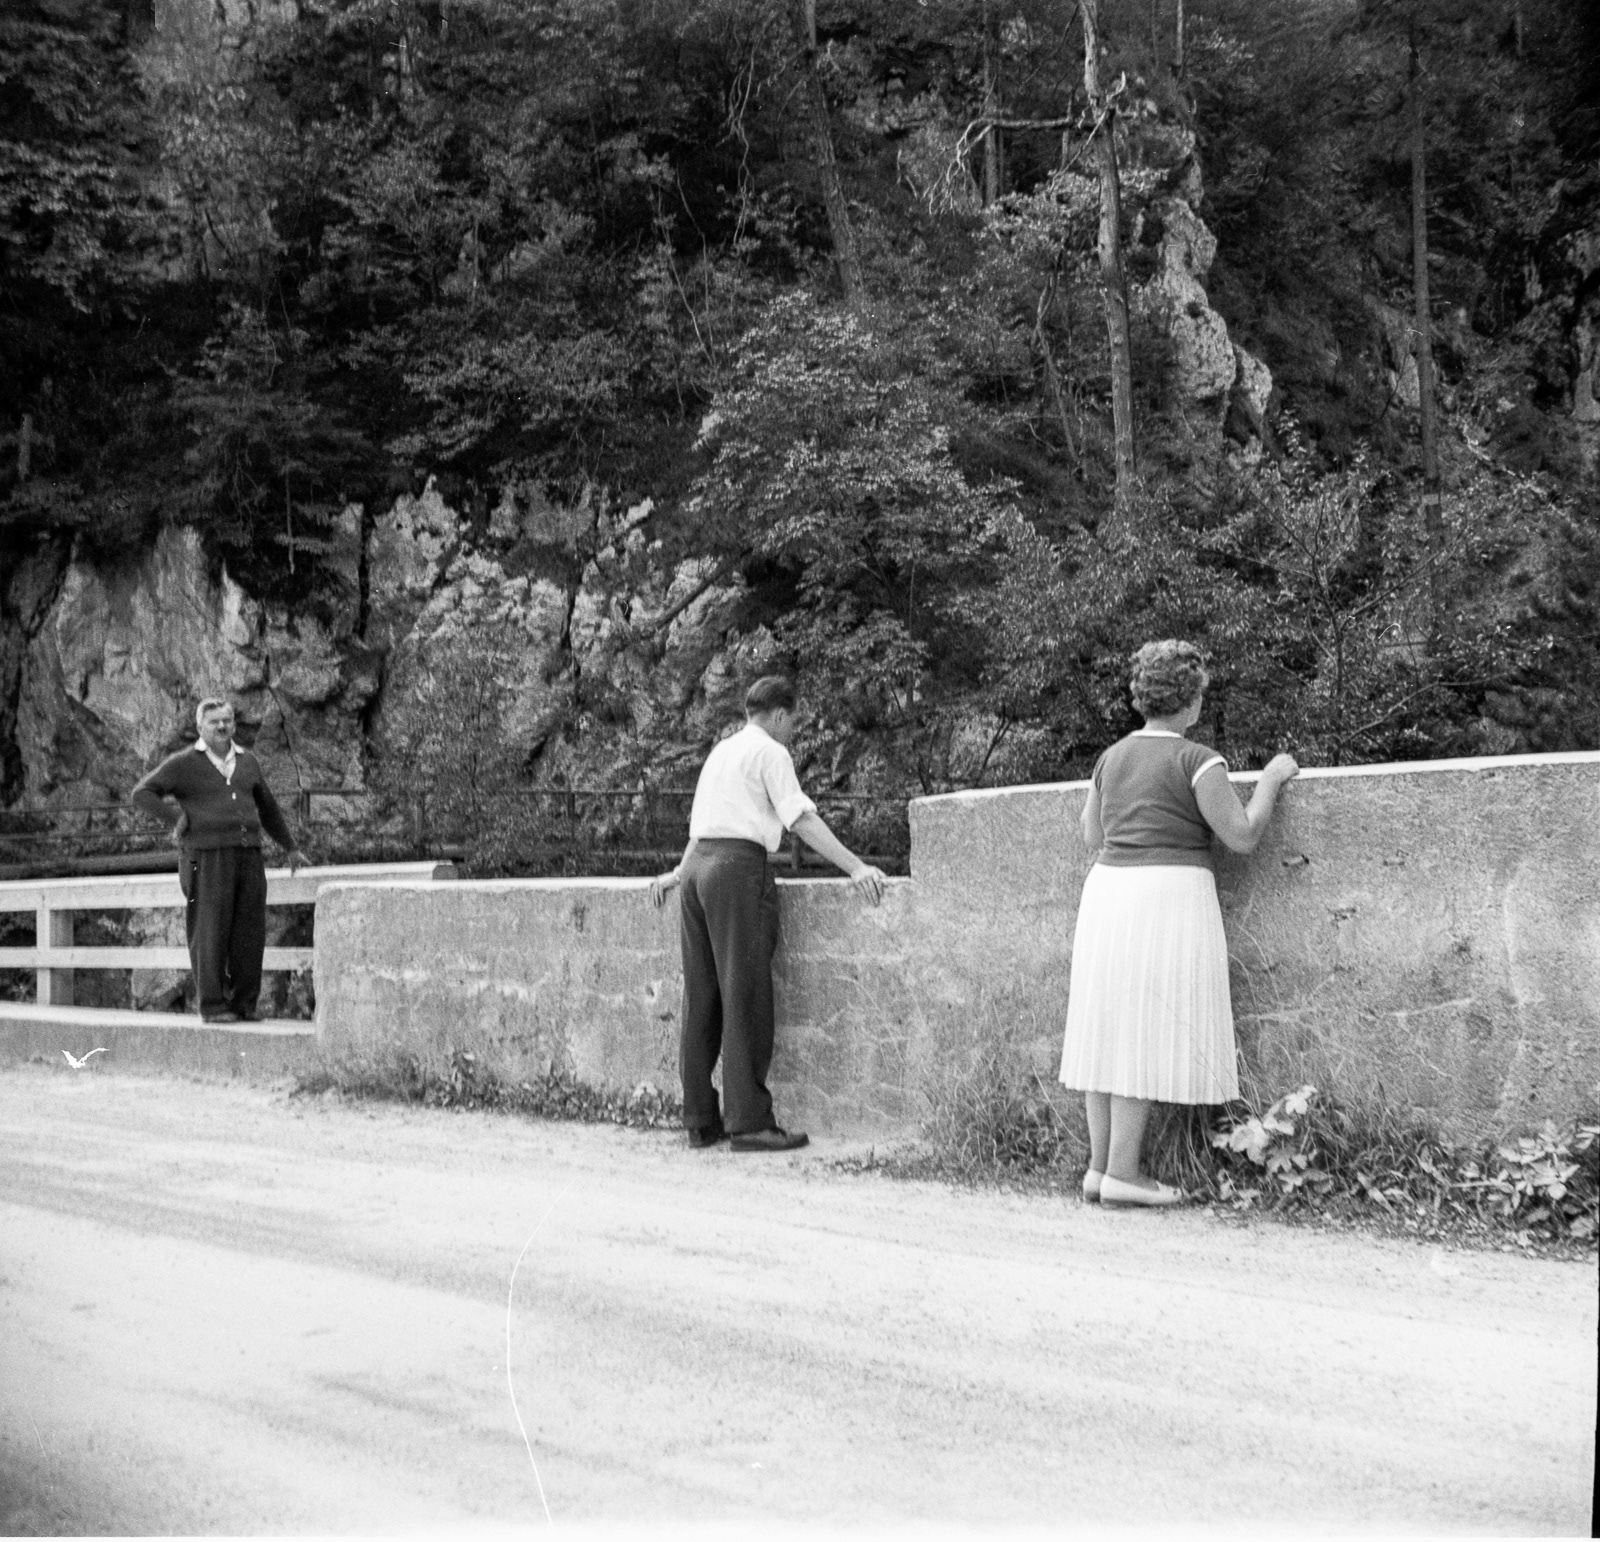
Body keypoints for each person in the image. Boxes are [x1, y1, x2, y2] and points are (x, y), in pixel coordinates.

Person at [1059, 640, 1299, 1209]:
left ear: (1142, 697)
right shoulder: (1199, 760)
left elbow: (1092, 835)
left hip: (1107, 893)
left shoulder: (1111, 757)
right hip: (1166, 896)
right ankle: (1125, 1174)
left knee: (1107, 1028)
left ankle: (1099, 1169)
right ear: (1191, 701)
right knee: (1142, 1027)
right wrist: (1271, 779)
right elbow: (1241, 835)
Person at [649, 676, 886, 1152]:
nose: (793, 730)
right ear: (779, 714)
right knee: (746, 993)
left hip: (698, 872)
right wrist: (856, 866)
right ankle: (749, 1122)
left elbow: (702, 827)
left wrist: (678, 873)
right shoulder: (770, 753)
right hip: (736, 871)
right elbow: (800, 818)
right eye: (793, 720)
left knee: (701, 997)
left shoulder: (721, 752)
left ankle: (700, 1119)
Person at [132, 699, 308, 1023]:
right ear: (200, 727)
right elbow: (142, 793)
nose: (222, 727)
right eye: (214, 722)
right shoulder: (184, 763)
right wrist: (177, 818)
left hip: (249, 855)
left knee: (249, 933)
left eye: (227, 721)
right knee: (209, 932)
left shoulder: (248, 761)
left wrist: (290, 846)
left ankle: (244, 1004)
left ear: (234, 725)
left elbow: (267, 806)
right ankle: (213, 1006)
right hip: (204, 858)